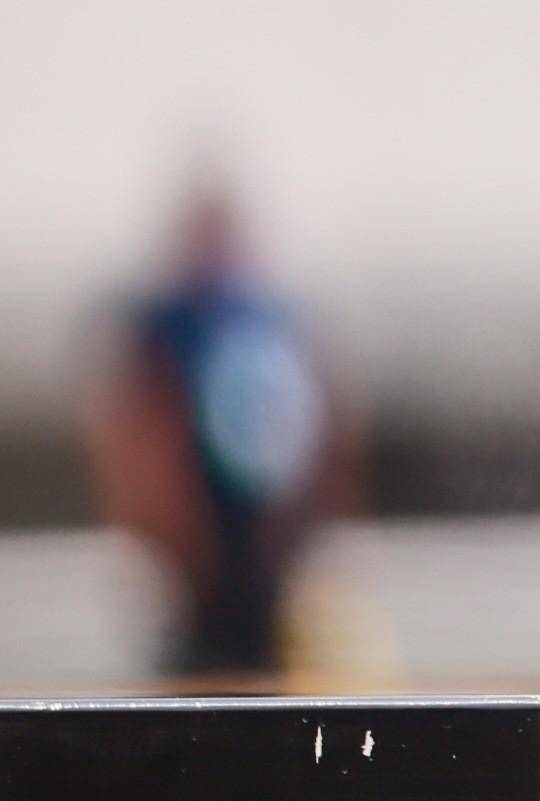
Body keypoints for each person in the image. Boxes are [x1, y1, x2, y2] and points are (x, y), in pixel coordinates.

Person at [81, 177, 347, 683]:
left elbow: (322, 431)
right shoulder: (164, 327)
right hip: (192, 560)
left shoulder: (270, 321)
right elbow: (136, 445)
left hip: (260, 544)